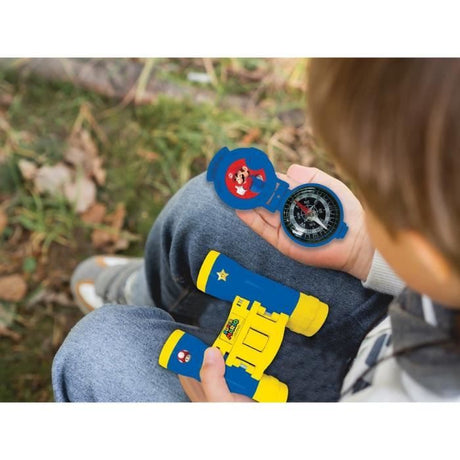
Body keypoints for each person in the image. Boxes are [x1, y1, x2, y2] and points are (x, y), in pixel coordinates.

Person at [52, 58, 460, 402]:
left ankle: (142, 317)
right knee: (211, 208)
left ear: (425, 249)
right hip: (390, 317)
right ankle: (146, 296)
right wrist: (365, 251)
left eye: (377, 204)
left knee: (98, 355)